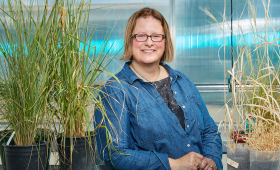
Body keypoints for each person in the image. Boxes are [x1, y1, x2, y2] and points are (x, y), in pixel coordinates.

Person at [94, 7, 223, 170]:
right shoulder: (115, 90)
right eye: (141, 36)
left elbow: (210, 130)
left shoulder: (182, 81)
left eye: (156, 36)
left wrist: (211, 161)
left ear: (165, 41)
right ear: (130, 40)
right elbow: (116, 155)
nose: (149, 42)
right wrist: (175, 165)